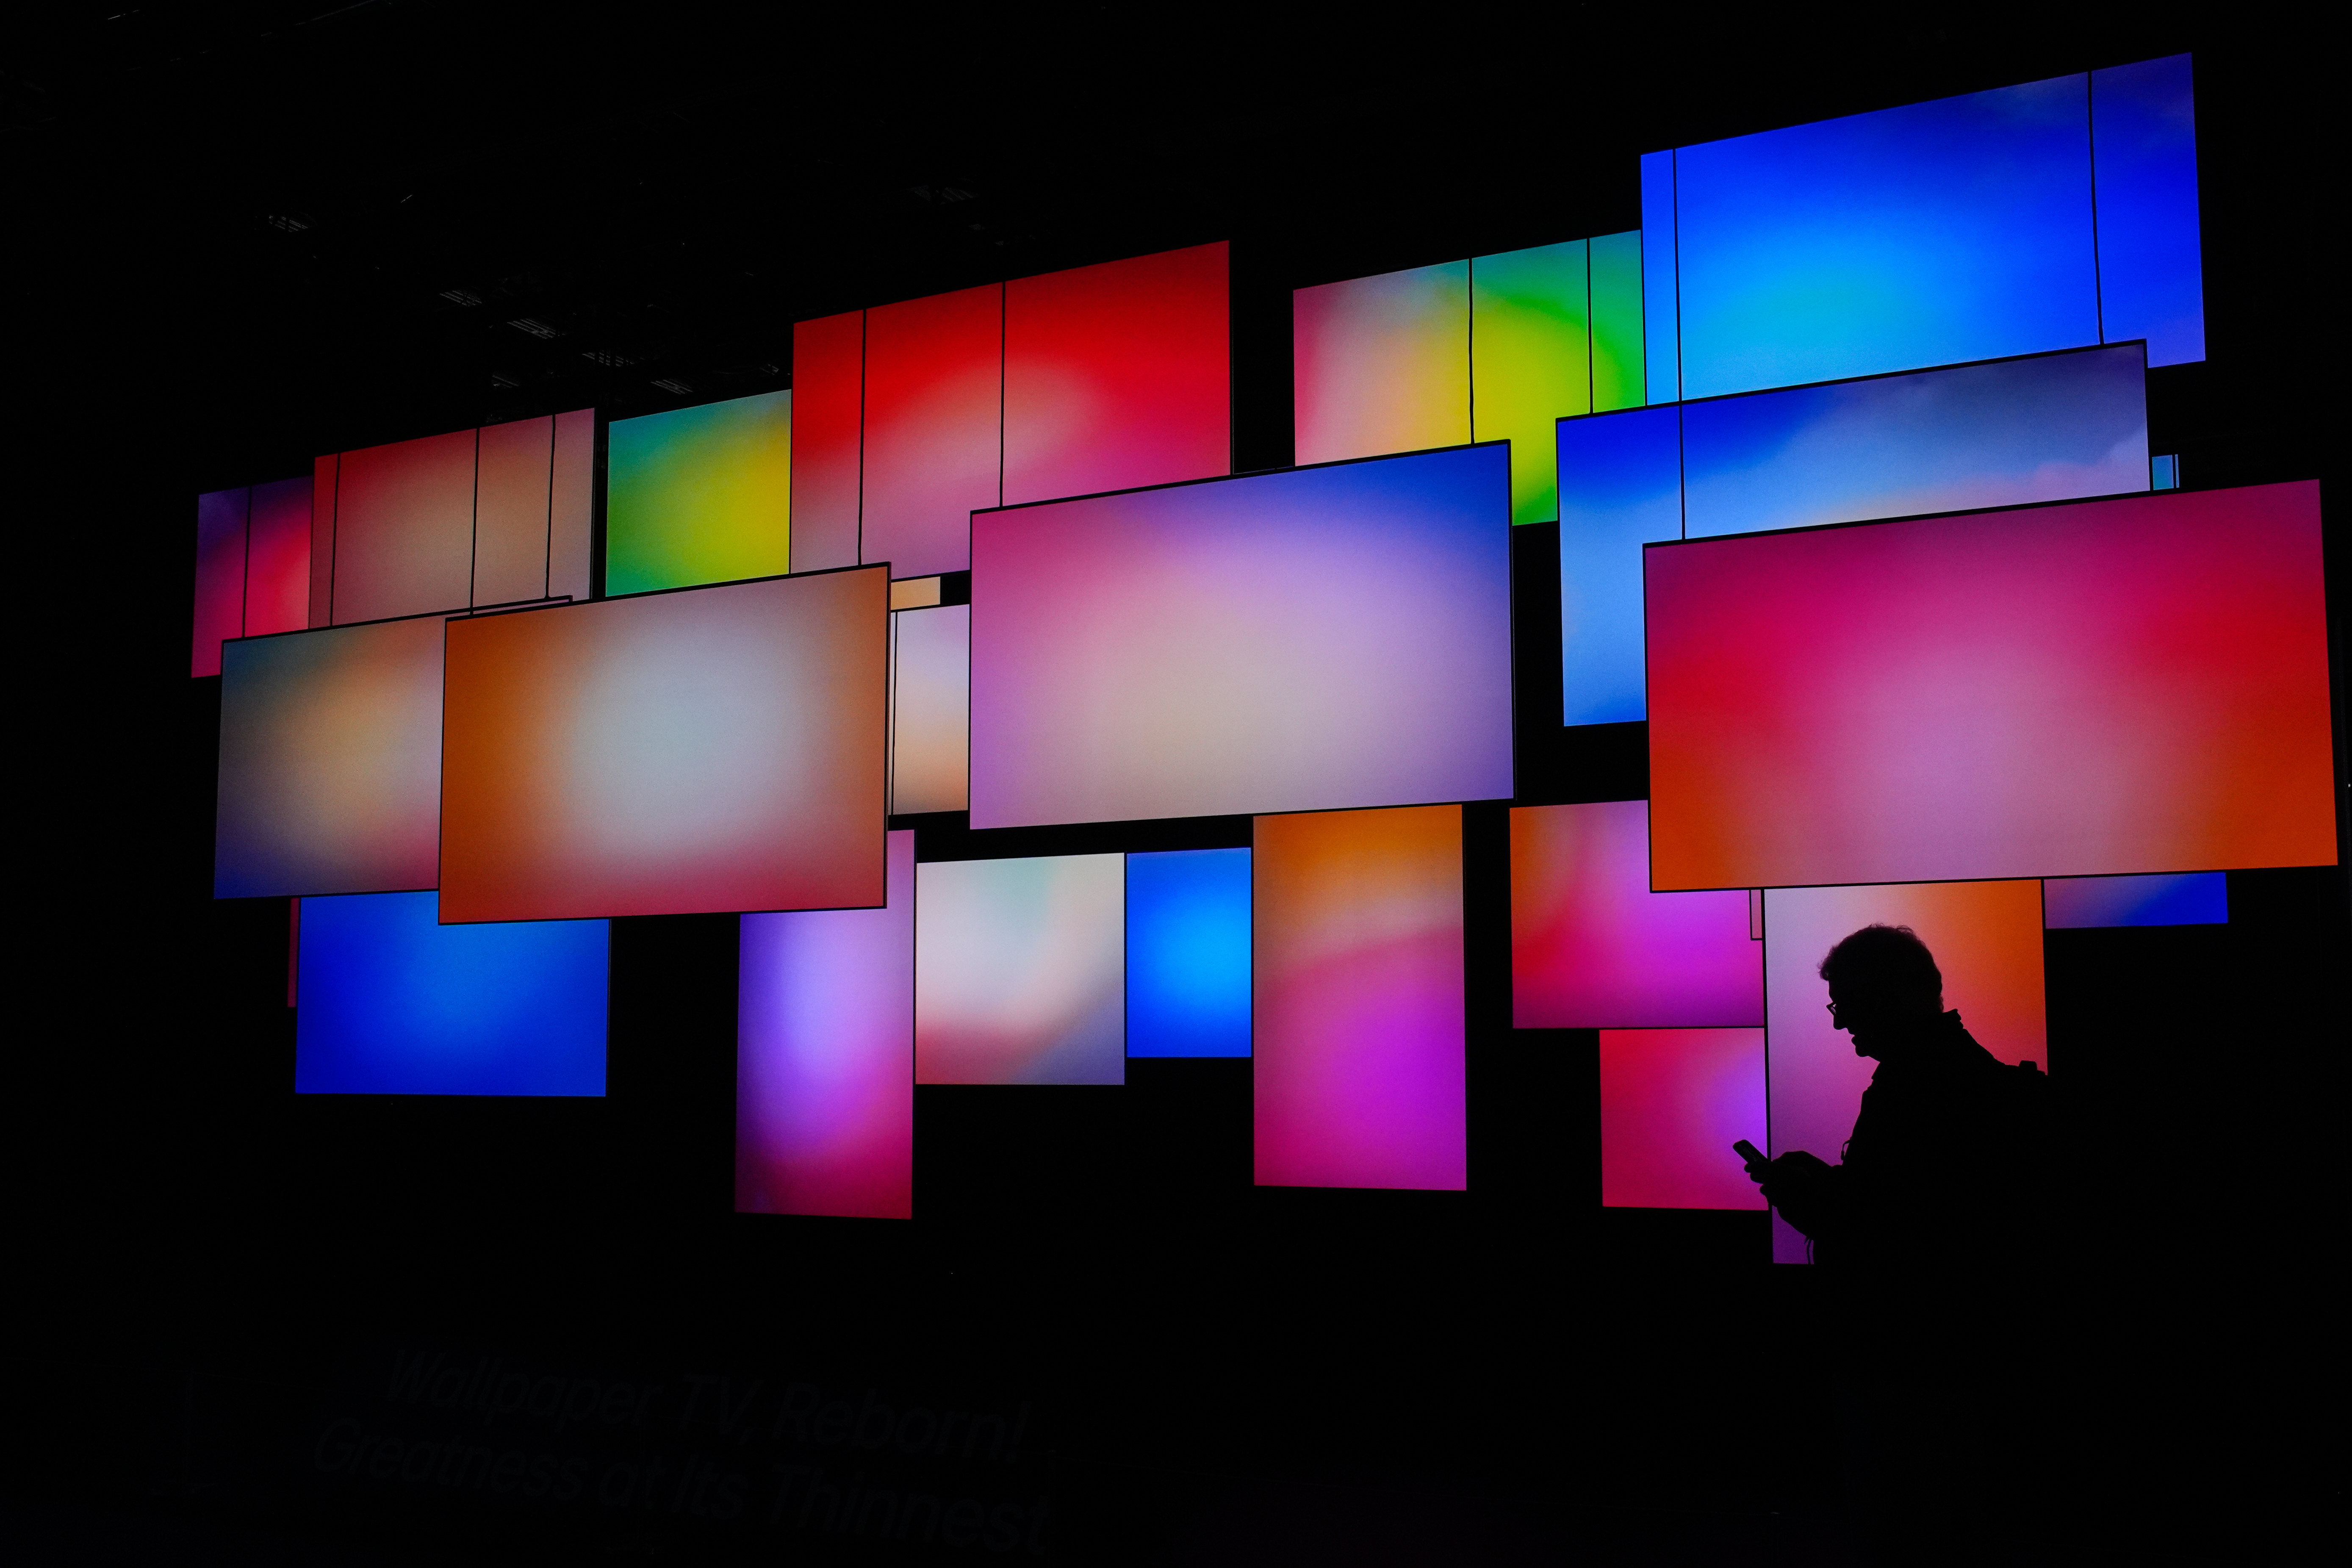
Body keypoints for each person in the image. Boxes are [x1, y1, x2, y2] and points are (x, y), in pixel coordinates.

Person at [1744, 923, 2048, 1266]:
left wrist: (1798, 1196)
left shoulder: (1920, 1089)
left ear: (1889, 998)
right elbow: (1894, 1194)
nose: (1839, 1023)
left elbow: (1885, 1232)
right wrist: (1830, 1182)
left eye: (1845, 1004)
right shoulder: (1962, 1072)